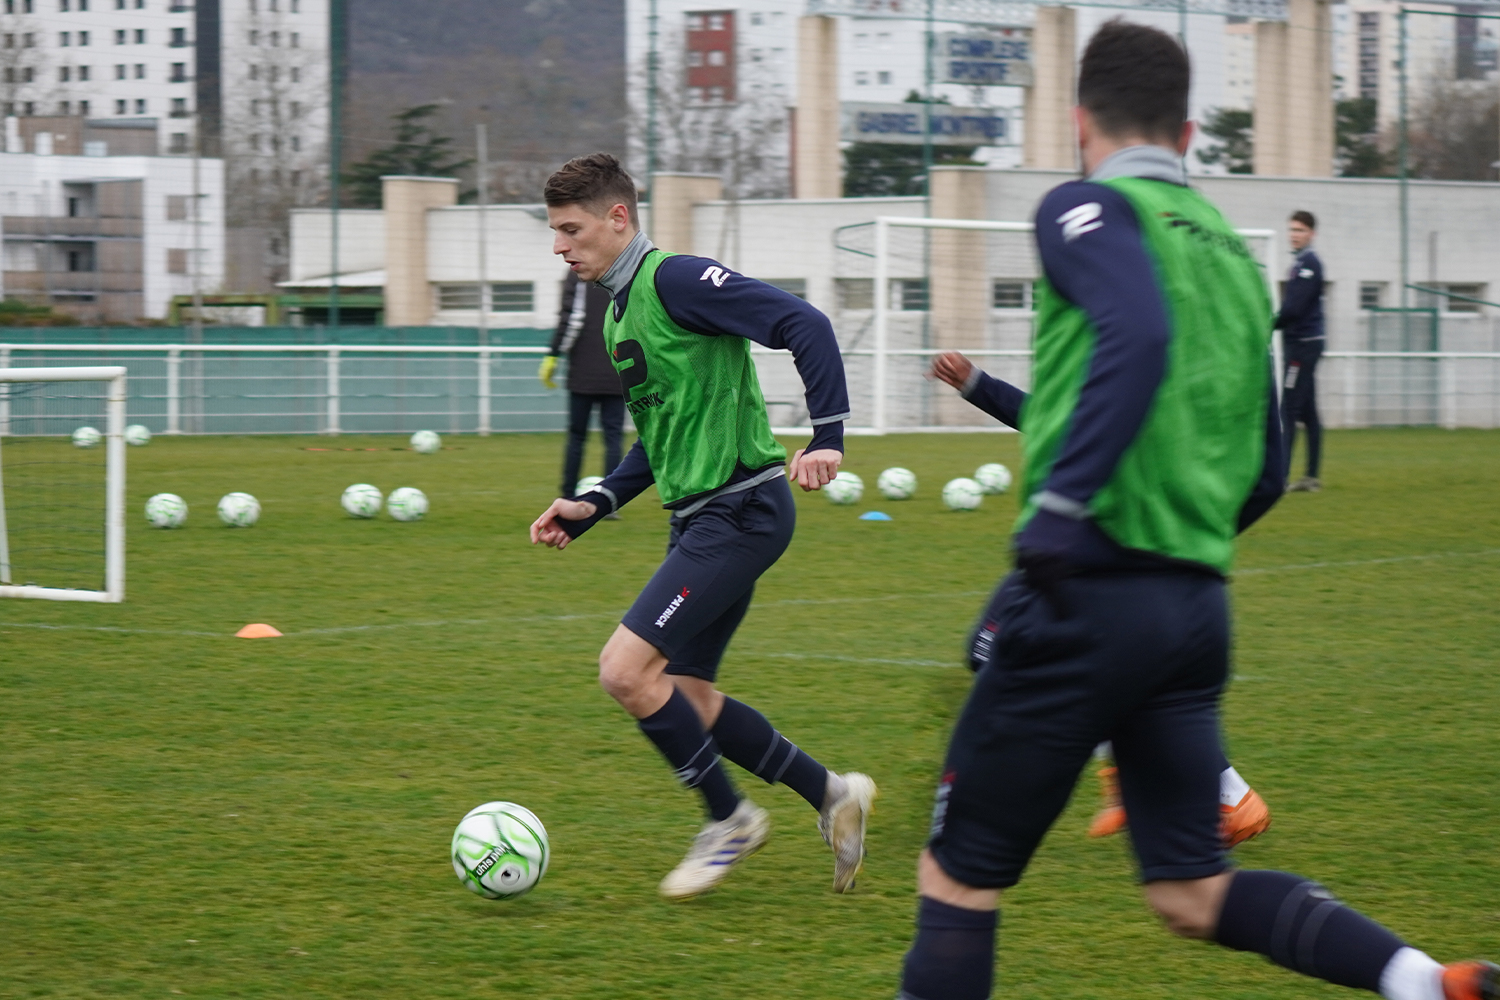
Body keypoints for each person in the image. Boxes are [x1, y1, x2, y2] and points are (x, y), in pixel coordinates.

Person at [896, 22, 1495, 1000]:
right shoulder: (1229, 249)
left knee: (957, 879)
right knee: (1190, 887)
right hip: (1191, 613)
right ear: (1187, 130)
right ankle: (1419, 978)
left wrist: (1061, 510)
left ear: (1079, 119)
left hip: (1084, 588)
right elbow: (1264, 464)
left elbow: (1135, 328)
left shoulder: (1084, 206)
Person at [530, 152, 877, 900]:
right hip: (700, 519)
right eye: (555, 232)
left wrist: (828, 436)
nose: (560, 247)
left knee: (623, 671)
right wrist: (594, 505)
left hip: (741, 509)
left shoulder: (675, 280)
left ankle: (730, 820)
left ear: (618, 218)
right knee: (686, 695)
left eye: (571, 229)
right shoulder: (620, 308)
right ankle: (832, 794)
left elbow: (802, 322)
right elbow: (662, 434)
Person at [929, 350, 1271, 851]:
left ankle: (1168, 785)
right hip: (1146, 557)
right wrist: (977, 385)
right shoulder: (1182, 366)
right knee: (1128, 678)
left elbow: (1062, 427)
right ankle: (1211, 790)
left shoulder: (1132, 353)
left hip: (1088, 549)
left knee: (992, 652)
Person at [542, 269, 626, 502]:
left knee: (577, 437)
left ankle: (568, 496)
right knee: (613, 437)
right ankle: (611, 500)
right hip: (618, 371)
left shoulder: (578, 273)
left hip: (583, 373)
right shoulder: (624, 273)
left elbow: (572, 320)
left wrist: (554, 355)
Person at [1277, 210, 1326, 493]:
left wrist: (1271, 322)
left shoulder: (1308, 264)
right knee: (1308, 411)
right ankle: (1311, 477)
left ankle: (1280, 477)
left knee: (1289, 409)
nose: (1294, 234)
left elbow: (1294, 308)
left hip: (1302, 345)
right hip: (1305, 342)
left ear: (1312, 234)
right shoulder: (1300, 262)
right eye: (1292, 229)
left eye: (1300, 230)